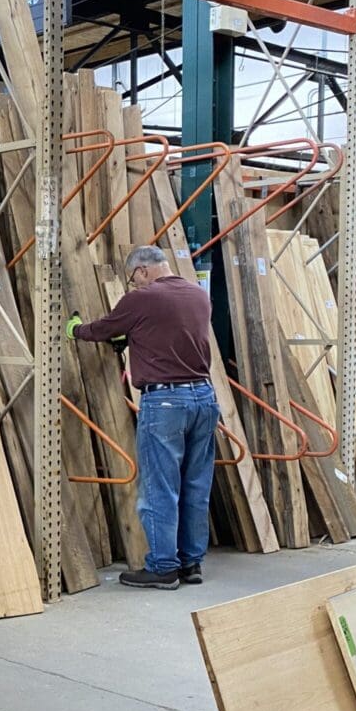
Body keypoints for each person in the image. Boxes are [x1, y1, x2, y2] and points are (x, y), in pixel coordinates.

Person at [64, 246, 220, 590]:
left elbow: (103, 329)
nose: (135, 285)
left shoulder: (142, 299)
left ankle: (163, 567)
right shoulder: (197, 295)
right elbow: (171, 332)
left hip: (165, 402)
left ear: (143, 271)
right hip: (204, 398)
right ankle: (190, 563)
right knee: (196, 485)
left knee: (161, 488)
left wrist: (75, 329)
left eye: (134, 278)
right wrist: (135, 335)